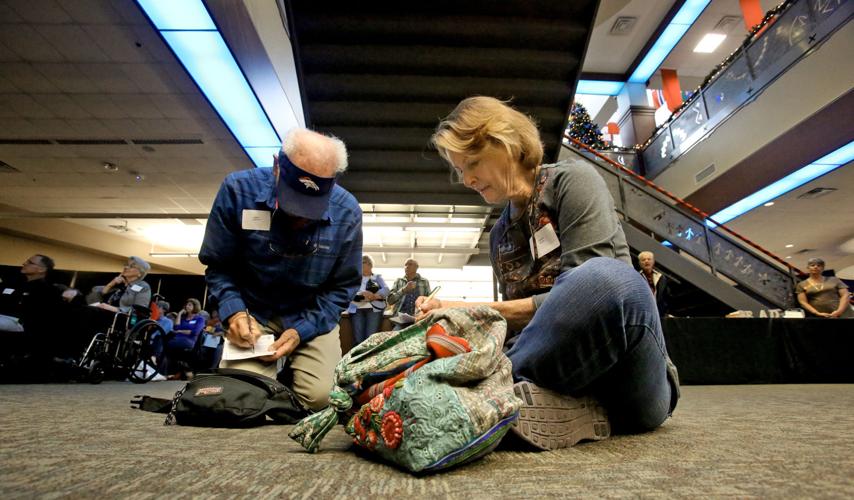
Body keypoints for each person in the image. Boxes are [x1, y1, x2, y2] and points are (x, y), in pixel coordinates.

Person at [420, 96, 679, 450]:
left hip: (628, 378)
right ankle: (548, 405)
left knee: (608, 280)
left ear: (506, 143)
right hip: (562, 376)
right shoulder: (499, 236)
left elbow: (588, 300)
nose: (466, 179)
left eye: (472, 163)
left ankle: (477, 395)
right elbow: (526, 329)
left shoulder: (572, 180)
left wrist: (471, 310)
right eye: (460, 170)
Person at [199, 127, 362, 412]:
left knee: (322, 399)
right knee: (243, 396)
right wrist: (234, 312)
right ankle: (270, 382)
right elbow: (219, 266)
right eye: (293, 202)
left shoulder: (347, 211)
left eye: (310, 208)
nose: (300, 217)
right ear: (277, 166)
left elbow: (341, 288)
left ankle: (288, 376)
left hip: (310, 314)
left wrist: (300, 331)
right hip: (252, 310)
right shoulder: (237, 190)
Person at [346, 255, 389, 345]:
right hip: (356, 310)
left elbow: (386, 290)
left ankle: (369, 355)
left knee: (371, 339)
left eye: (362, 262)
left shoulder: (377, 277)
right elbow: (348, 291)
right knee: (358, 340)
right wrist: (360, 294)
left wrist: (374, 296)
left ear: (369, 264)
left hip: (374, 310)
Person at [87, 256, 152, 315]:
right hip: (104, 313)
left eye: (131, 266)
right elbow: (95, 292)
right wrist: (111, 284)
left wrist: (116, 309)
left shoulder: (143, 286)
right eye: (126, 265)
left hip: (120, 318)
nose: (126, 267)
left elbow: (140, 309)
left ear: (139, 273)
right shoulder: (120, 283)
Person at [163, 298, 206, 379]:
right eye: (186, 305)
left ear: (195, 307)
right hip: (177, 339)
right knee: (166, 344)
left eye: (190, 305)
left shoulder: (200, 319)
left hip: (189, 341)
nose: (187, 306)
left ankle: (168, 371)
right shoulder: (183, 318)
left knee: (165, 344)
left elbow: (195, 332)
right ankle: (175, 371)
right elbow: (176, 327)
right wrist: (179, 314)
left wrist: (180, 331)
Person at [387, 258, 431, 325]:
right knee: (396, 330)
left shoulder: (424, 282)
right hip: (400, 318)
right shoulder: (398, 281)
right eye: (405, 265)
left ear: (416, 267)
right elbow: (390, 301)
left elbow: (429, 300)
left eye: (410, 264)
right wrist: (404, 290)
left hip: (418, 318)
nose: (407, 266)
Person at [637, 251, 669, 318]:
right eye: (643, 260)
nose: (646, 261)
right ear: (639, 263)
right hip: (642, 314)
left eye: (649, 259)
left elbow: (666, 297)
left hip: (659, 314)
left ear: (653, 261)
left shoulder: (661, 277)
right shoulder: (636, 277)